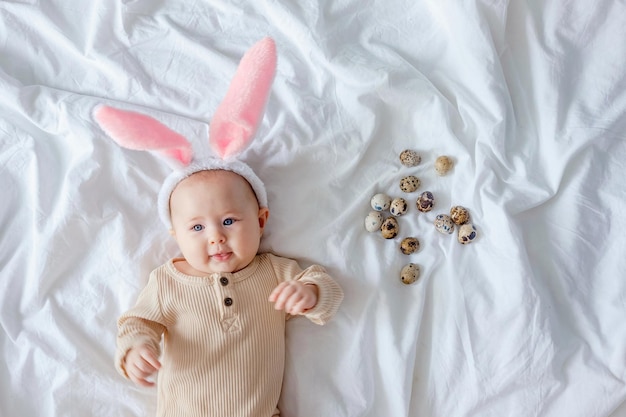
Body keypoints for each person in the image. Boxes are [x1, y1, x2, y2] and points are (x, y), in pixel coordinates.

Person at [114, 167, 343, 417]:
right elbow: (137, 322)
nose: (216, 237)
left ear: (260, 222)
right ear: (177, 237)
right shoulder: (167, 282)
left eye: (228, 221)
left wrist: (310, 292)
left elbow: (327, 286)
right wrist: (135, 348)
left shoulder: (273, 272)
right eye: (197, 228)